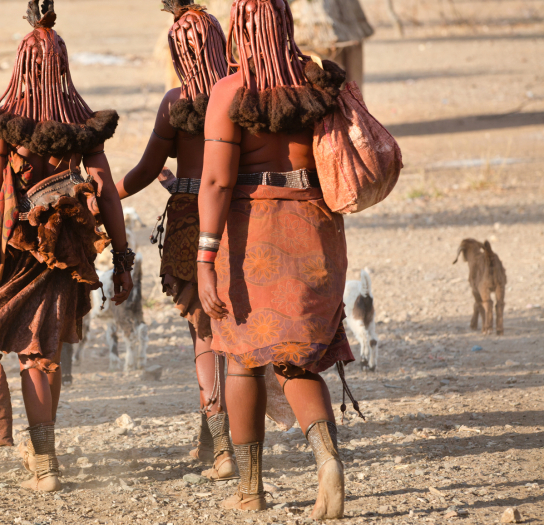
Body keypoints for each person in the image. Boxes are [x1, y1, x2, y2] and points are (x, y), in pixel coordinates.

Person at [0, 0, 133, 493]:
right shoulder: (84, 127)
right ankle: (44, 457)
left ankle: (46, 464)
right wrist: (123, 256)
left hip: (14, 249)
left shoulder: (3, 125)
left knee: (31, 350)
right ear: (63, 67)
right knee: (44, 350)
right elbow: (107, 192)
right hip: (67, 247)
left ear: (21, 68)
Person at [198, 0, 359, 517]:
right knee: (298, 357)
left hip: (254, 232)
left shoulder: (229, 91)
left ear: (239, 28)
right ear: (287, 24)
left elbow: (219, 180)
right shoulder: (317, 82)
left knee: (244, 358)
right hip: (316, 229)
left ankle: (251, 492)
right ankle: (327, 462)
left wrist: (205, 257)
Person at [116, 0, 235, 481]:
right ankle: (214, 439)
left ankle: (225, 448)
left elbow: (145, 171)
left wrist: (102, 195)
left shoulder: (176, 103)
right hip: (240, 221)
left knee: (205, 336)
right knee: (235, 331)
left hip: (191, 227)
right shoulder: (244, 97)